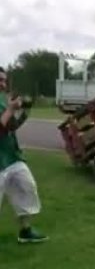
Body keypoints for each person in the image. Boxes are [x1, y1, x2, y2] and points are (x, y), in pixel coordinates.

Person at [0, 67, 49, 243]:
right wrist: (11, 109)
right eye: (0, 80)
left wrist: (25, 112)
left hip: (12, 157)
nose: (3, 84)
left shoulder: (4, 100)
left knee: (27, 187)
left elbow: (10, 127)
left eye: (4, 80)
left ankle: (25, 231)